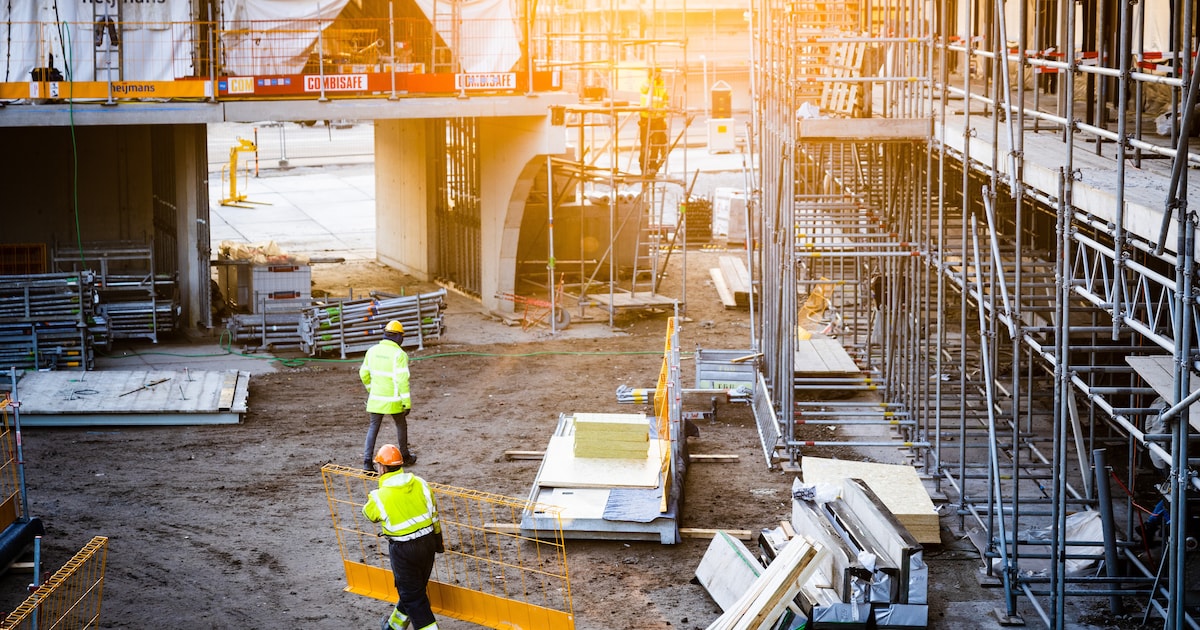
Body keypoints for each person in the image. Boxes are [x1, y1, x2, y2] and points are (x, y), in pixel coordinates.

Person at [363, 444, 444, 630]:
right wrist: (438, 542)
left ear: (382, 468)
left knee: (413, 597)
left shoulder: (379, 496)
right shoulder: (421, 483)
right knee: (413, 591)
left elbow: (369, 514)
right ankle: (393, 627)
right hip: (428, 542)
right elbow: (434, 515)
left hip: (403, 549)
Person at [361, 320, 414, 471]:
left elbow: (363, 373)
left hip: (376, 399)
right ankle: (405, 456)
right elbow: (402, 380)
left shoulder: (372, 351)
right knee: (401, 424)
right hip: (394, 401)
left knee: (373, 428)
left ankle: (367, 462)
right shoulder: (399, 354)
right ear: (398, 337)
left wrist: (372, 389)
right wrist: (406, 403)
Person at [638, 68, 669, 176]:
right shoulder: (646, 82)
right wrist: (652, 79)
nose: (658, 74)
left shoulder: (662, 84)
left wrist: (664, 111)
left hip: (658, 118)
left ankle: (652, 166)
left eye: (659, 72)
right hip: (646, 117)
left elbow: (664, 100)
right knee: (645, 144)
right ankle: (643, 167)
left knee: (656, 143)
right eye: (656, 72)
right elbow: (643, 90)